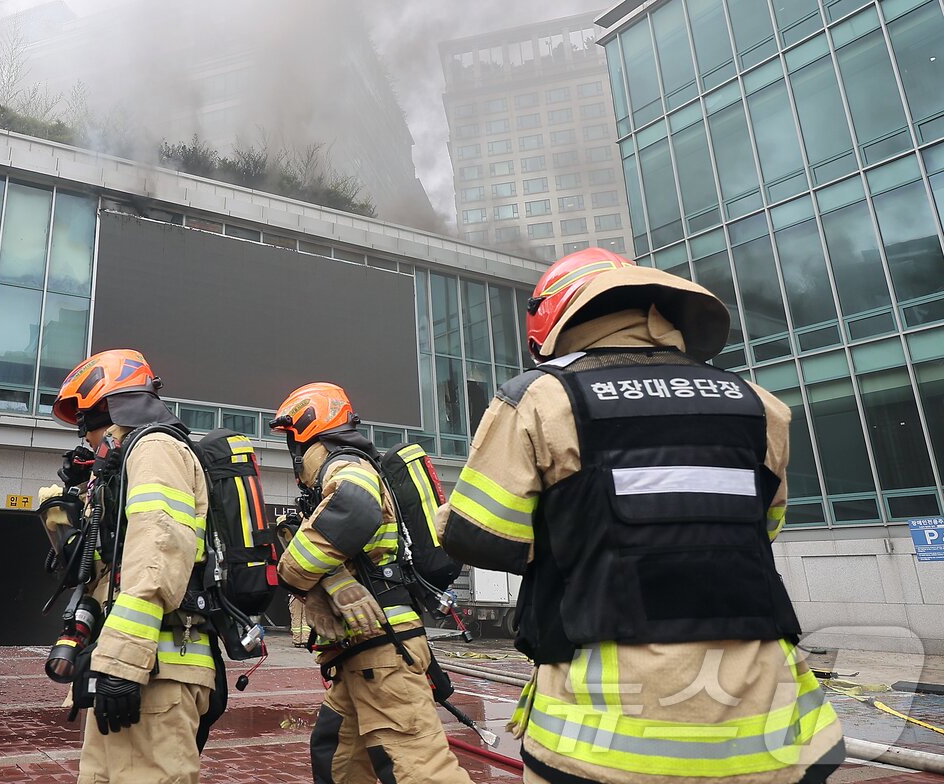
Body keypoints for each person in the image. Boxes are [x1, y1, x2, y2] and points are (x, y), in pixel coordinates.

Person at [438, 248, 844, 784]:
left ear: (552, 319)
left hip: (601, 740)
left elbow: (480, 538)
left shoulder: (542, 399)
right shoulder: (759, 405)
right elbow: (761, 528)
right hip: (769, 727)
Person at [271, 382, 473, 784]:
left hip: (383, 653)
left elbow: (354, 506)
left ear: (310, 430)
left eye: (294, 441)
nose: (294, 455)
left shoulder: (346, 465)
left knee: (419, 770)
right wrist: (327, 580)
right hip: (361, 655)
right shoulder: (347, 469)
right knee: (336, 757)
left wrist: (296, 573)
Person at [42, 348, 216, 784]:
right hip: (137, 664)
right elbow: (98, 569)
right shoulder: (125, 461)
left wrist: (121, 663)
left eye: (86, 422)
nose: (87, 441)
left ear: (103, 404)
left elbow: (157, 557)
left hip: (154, 667)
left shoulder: (154, 447)